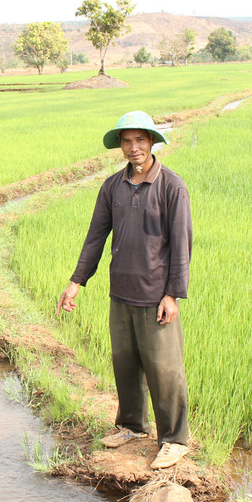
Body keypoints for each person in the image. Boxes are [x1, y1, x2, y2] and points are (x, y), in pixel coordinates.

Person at [56, 110, 192, 470]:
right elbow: (96, 237)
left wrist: (172, 294)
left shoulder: (171, 186)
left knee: (164, 368)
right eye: (127, 141)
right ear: (120, 146)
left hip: (155, 295)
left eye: (140, 140)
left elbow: (181, 245)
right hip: (122, 291)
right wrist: (76, 283)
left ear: (152, 142)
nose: (134, 147)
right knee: (126, 364)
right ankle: (132, 425)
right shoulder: (112, 186)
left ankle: (175, 439)